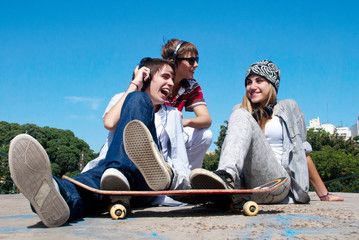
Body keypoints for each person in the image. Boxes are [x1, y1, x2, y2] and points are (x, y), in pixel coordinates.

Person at [8, 58, 192, 228]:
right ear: (147, 77)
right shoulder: (125, 97)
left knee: (138, 101)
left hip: (147, 181)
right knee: (86, 188)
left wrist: (180, 186)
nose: (171, 83)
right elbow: (109, 123)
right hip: (107, 173)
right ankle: (57, 194)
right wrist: (135, 84)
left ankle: (121, 174)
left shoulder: (173, 114)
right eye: (165, 77)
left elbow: (177, 156)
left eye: (172, 78)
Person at [190, 60, 344, 203]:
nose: (252, 86)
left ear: (271, 84)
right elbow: (231, 149)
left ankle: (225, 178)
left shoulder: (289, 108)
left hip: (277, 183)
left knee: (240, 112)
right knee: (239, 111)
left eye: (259, 81)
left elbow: (303, 152)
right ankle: (223, 181)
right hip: (247, 185)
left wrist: (324, 194)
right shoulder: (241, 112)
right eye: (248, 82)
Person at [161, 39, 212, 169]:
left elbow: (206, 120)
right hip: (153, 132)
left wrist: (183, 121)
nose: (196, 65)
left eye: (197, 60)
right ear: (174, 60)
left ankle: (189, 177)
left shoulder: (191, 85)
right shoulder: (156, 79)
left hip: (174, 131)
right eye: (191, 60)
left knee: (205, 135)